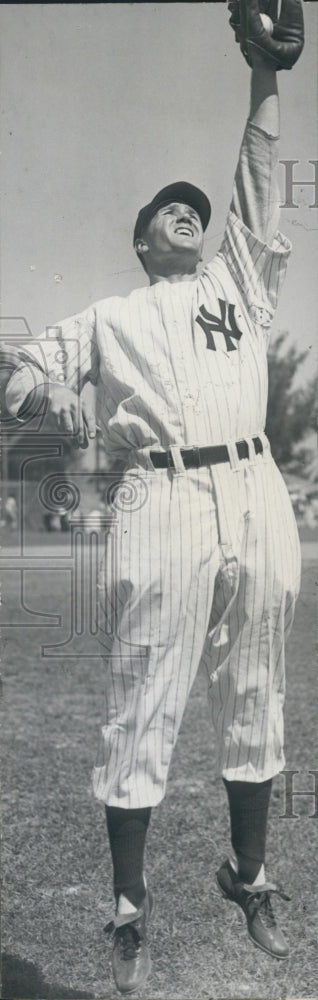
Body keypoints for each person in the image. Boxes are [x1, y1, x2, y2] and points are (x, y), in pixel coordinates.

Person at [2, 0, 304, 993]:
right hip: (160, 496)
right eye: (167, 208)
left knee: (258, 689)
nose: (188, 211)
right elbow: (31, 365)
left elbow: (261, 190)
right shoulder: (114, 315)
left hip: (253, 483)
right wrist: (19, 382)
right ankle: (130, 908)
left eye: (192, 206)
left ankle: (249, 876)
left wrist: (266, 79)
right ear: (140, 241)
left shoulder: (239, 287)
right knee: (144, 705)